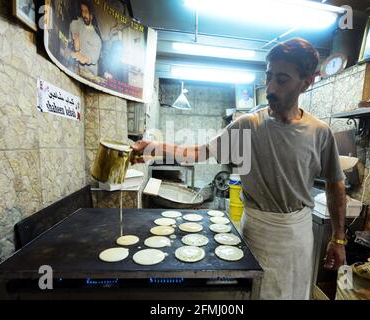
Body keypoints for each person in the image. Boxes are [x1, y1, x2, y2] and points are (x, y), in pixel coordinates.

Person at [131, 38, 347, 300]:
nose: (270, 88)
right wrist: (154, 146)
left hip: (296, 238)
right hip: (256, 232)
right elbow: (198, 153)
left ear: (307, 82)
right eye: (268, 77)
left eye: (282, 80)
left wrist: (338, 238)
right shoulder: (248, 125)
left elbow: (336, 185)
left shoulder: (320, 132)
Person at [68, 0, 102, 76]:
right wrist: (75, 41)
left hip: (89, 74)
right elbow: (73, 41)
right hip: (75, 69)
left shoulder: (96, 38)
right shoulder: (77, 23)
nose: (84, 14)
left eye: (86, 11)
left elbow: (93, 57)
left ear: (91, 15)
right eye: (82, 11)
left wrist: (85, 58)